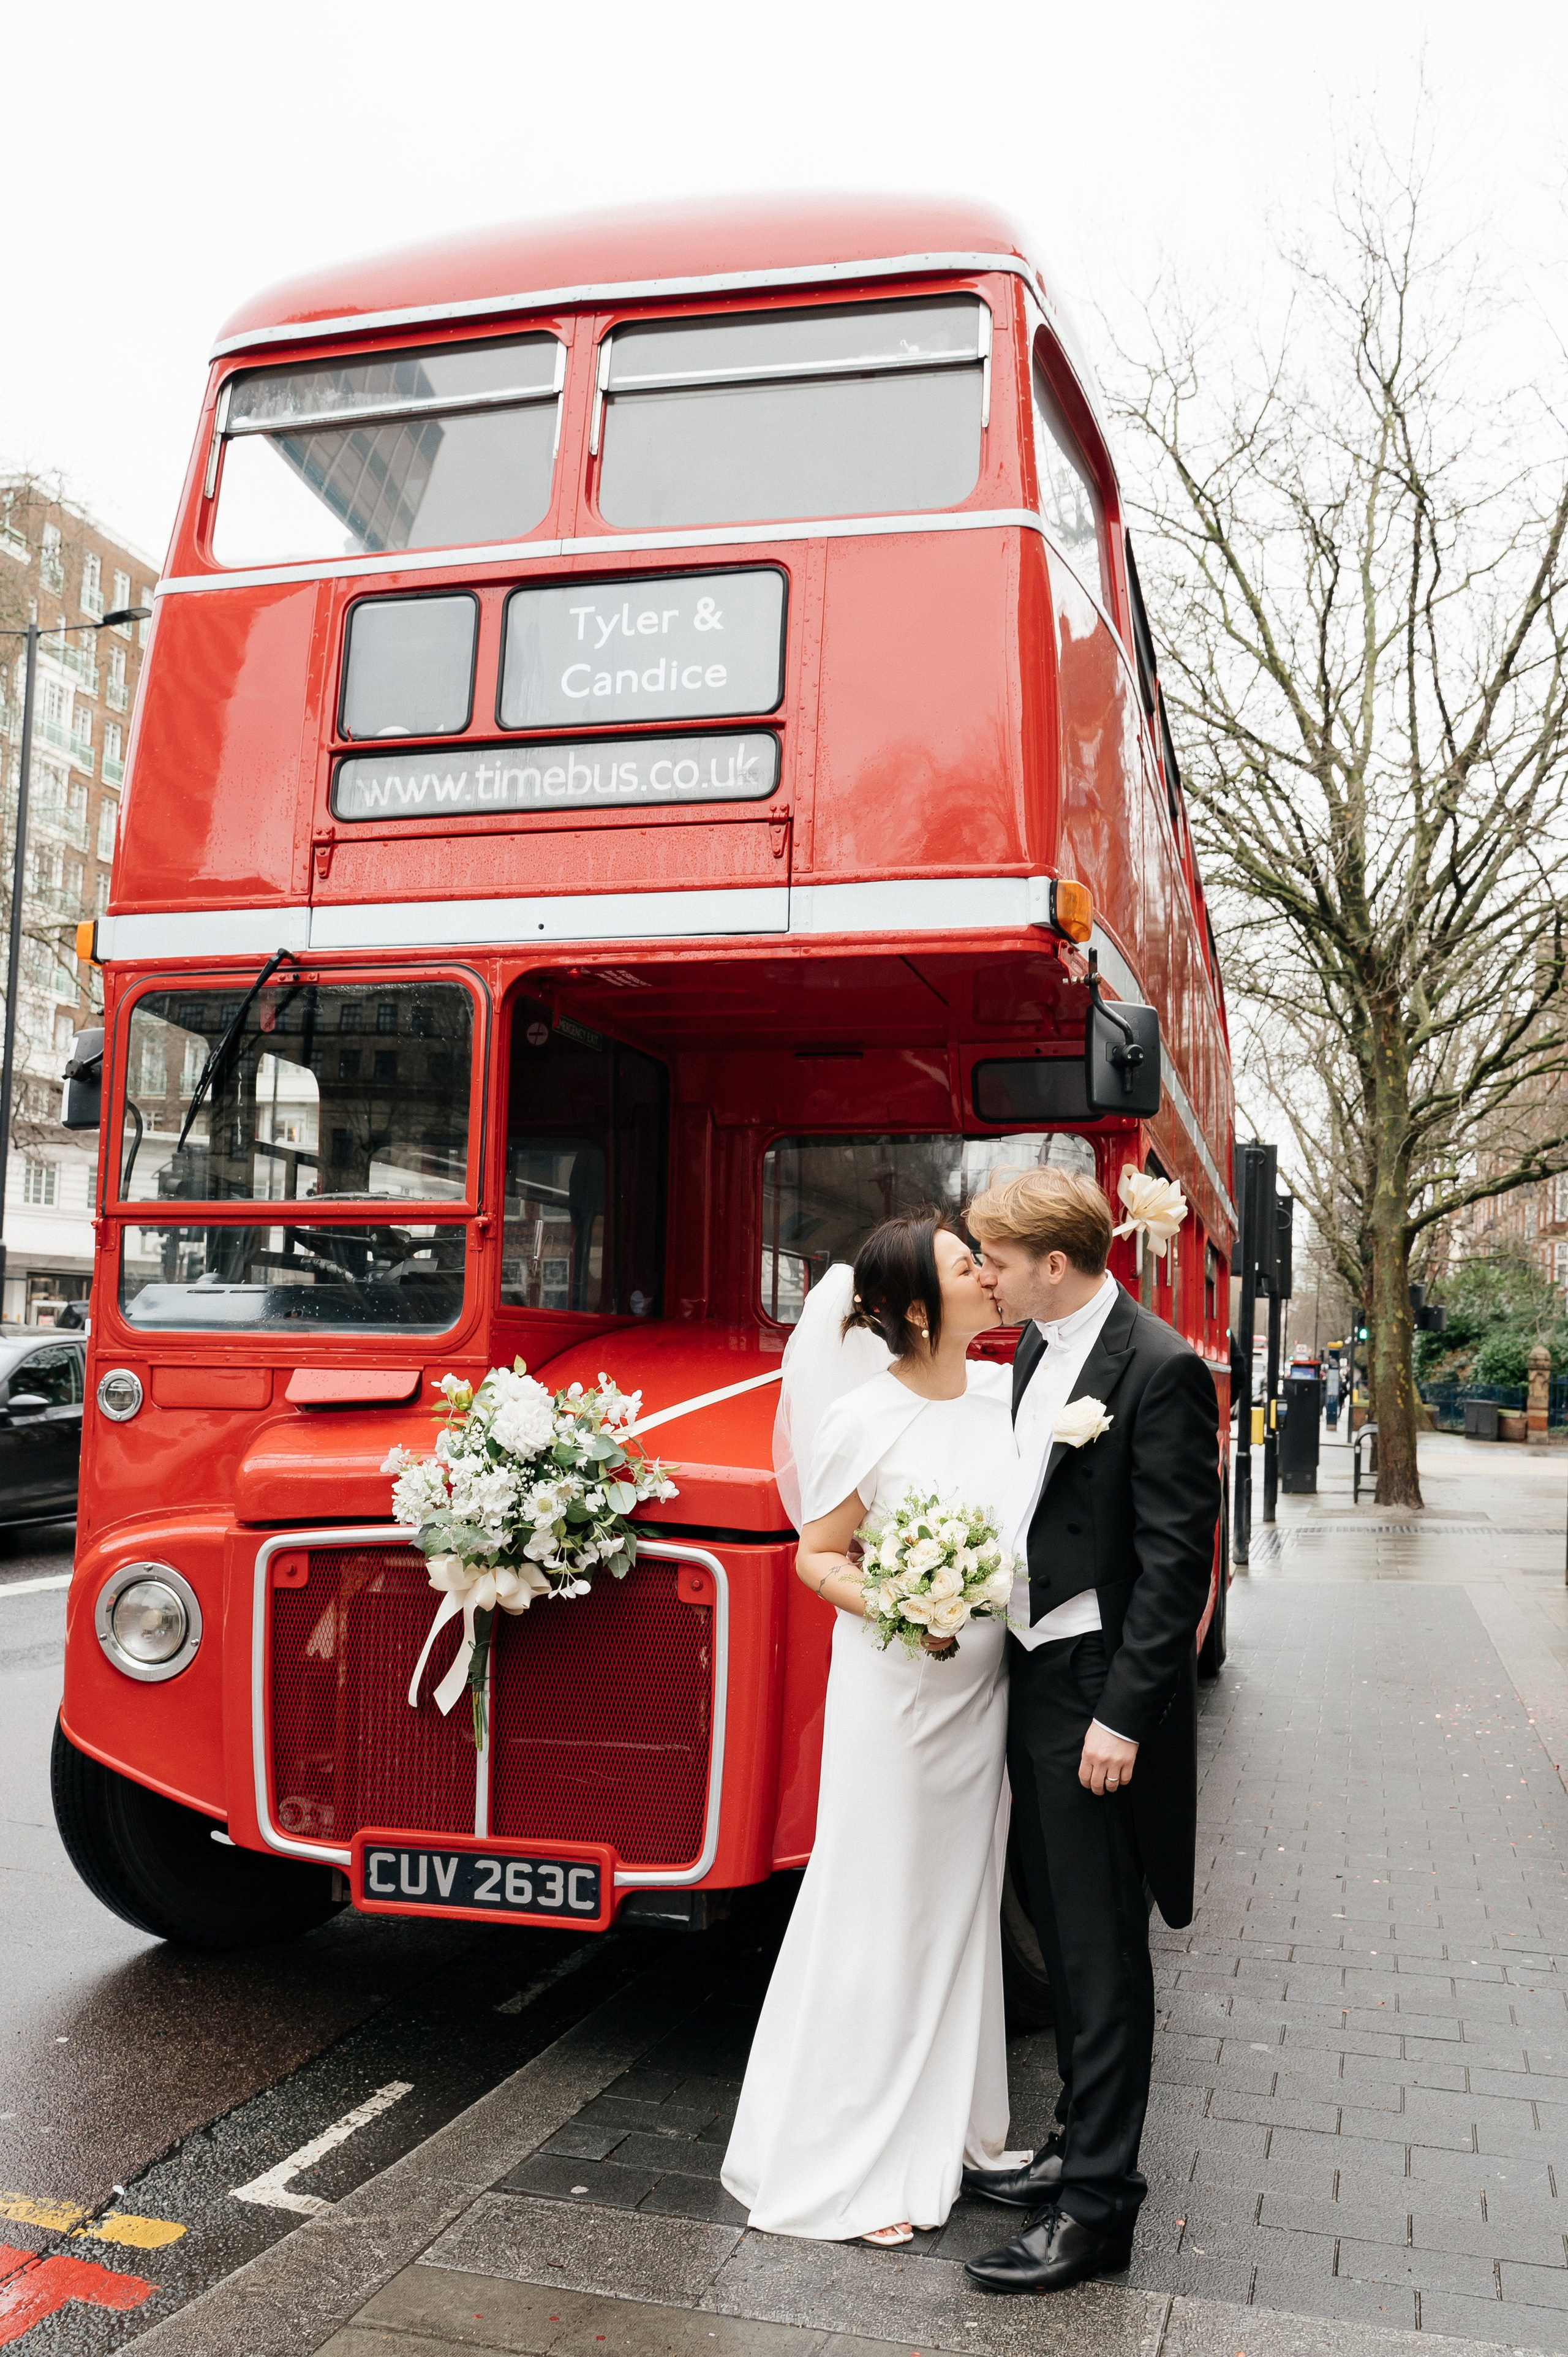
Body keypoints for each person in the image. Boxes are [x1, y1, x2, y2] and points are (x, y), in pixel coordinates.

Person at [722, 1215, 1023, 2245]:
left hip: (982, 1705)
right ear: (916, 1310)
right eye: (963, 1266)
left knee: (960, 1901)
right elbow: (818, 1557)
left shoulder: (1010, 1399)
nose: (987, 1274)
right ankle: (849, 2162)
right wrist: (900, 1598)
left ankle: (961, 2128)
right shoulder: (859, 1417)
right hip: (896, 1698)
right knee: (883, 1903)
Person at [960, 1167, 1220, 2296]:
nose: (984, 1275)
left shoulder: (1159, 1368)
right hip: (1030, 1672)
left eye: (995, 1259)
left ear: (1052, 1265)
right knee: (1063, 1940)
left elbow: (1175, 1569)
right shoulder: (1031, 1350)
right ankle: (1074, 2143)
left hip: (1096, 1691)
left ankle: (1099, 2209)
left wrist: (1123, 1714)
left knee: (1105, 1953)